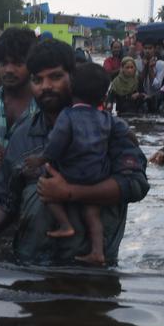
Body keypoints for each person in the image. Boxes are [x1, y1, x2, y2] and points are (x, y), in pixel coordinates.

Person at [0, 39, 149, 266]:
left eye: (55, 77)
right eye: (37, 80)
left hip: (93, 272)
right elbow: (7, 204)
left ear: (73, 78)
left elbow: (136, 184)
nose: (45, 86)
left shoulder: (109, 129)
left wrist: (70, 192)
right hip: (32, 268)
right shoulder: (23, 136)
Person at [27, 62, 117, 264]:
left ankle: (65, 224)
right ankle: (98, 252)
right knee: (92, 214)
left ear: (71, 90)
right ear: (103, 97)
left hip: (71, 174)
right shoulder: (106, 118)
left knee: (47, 189)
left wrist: (41, 159)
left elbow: (56, 143)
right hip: (97, 176)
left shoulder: (68, 115)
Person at [0, 27, 38, 218]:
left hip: (32, 213)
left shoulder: (45, 111)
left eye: (18, 63)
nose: (9, 70)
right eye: (3, 63)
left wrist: (7, 157)